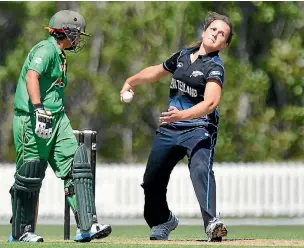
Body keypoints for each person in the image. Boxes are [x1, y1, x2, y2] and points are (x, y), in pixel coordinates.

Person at [120, 11, 233, 242]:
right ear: (204, 32)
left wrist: (182, 115)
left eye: (222, 34)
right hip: (171, 128)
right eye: (213, 29)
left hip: (199, 127)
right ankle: (163, 221)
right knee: (151, 180)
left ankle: (212, 223)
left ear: (225, 44)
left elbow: (210, 103)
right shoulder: (183, 55)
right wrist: (130, 82)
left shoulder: (215, 67)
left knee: (200, 169)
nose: (216, 34)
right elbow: (156, 71)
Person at [8, 10, 112, 243]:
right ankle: (21, 231)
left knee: (77, 164)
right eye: (77, 35)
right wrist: (38, 109)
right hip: (33, 117)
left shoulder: (60, 54)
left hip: (57, 118)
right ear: (68, 32)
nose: (78, 40)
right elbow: (31, 77)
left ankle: (87, 225)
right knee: (30, 173)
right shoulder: (45, 50)